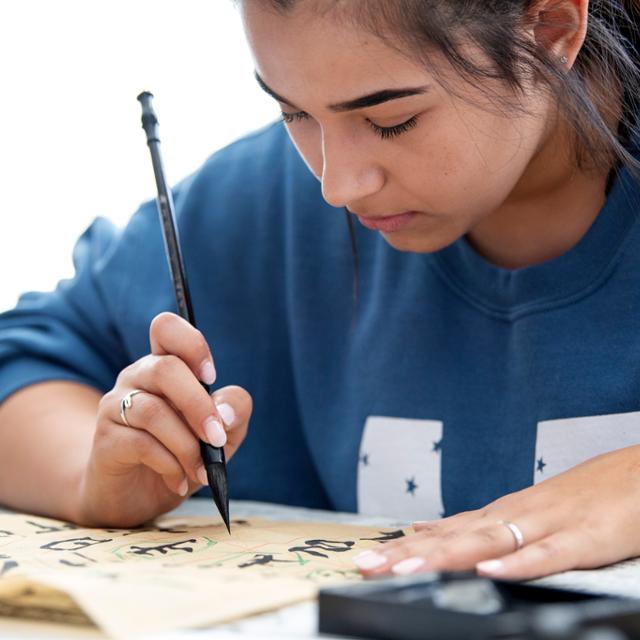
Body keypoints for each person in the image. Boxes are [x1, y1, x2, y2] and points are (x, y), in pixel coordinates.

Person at [1, 0, 640, 583]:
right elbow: (26, 360)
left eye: (393, 120)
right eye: (293, 111)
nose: (338, 186)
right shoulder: (265, 204)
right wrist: (91, 478)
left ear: (551, 28)